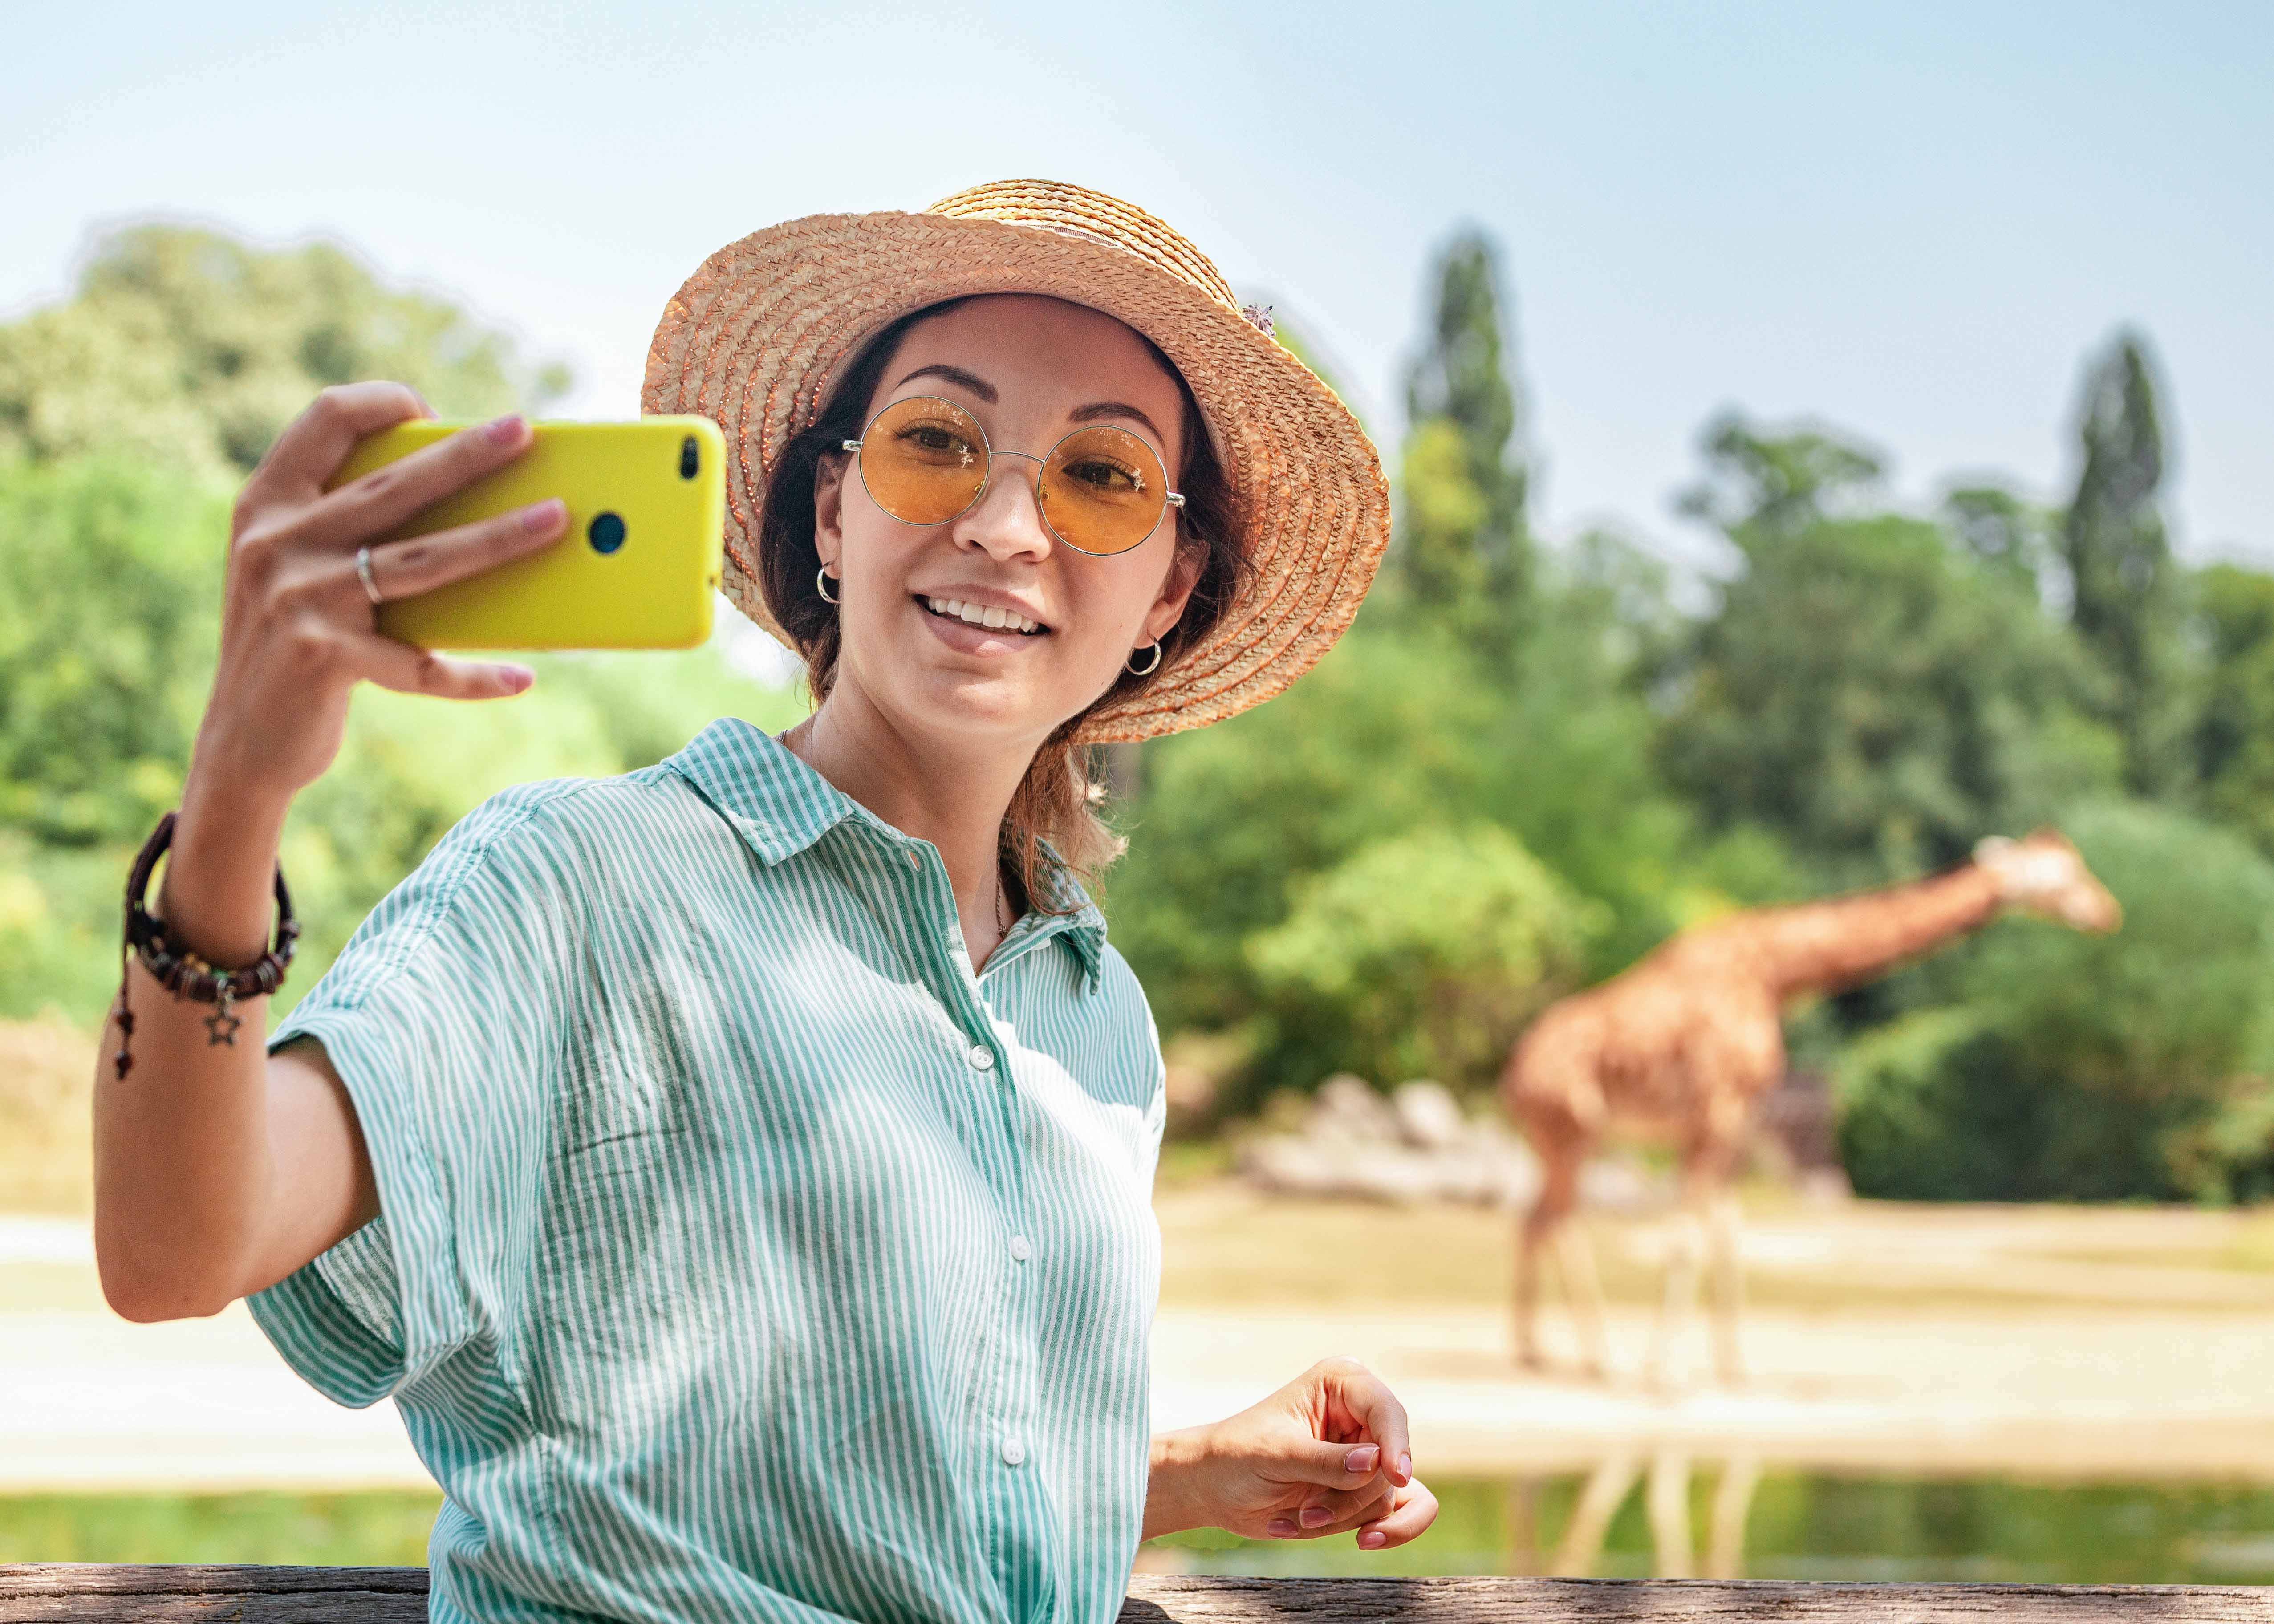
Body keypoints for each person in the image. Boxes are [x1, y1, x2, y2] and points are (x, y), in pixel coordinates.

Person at [91, 179, 1428, 1623]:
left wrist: (1166, 1474)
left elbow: (833, 1471)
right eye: (936, 442)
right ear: (832, 512)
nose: (1002, 524)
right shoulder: (575, 884)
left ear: (1169, 590)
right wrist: (234, 799)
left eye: (1100, 475)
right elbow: (176, 1249)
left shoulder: (1095, 1011)